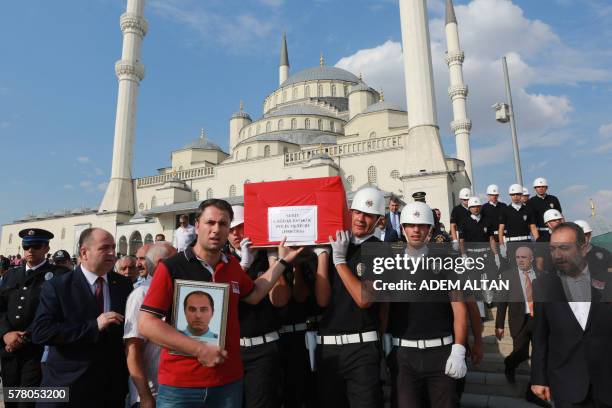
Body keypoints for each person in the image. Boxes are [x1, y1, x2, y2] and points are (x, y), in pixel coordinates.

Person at [138, 199, 303, 408]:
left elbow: (254, 294)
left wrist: (282, 261)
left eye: (223, 224)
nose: (216, 230)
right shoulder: (172, 267)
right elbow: (146, 323)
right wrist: (198, 349)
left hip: (226, 383)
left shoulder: (231, 265)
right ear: (197, 225)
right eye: (210, 222)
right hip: (181, 385)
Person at [32, 228, 133, 407]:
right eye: (104, 248)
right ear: (84, 252)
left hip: (109, 389)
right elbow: (42, 332)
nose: (112, 253)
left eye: (113, 247)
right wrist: (93, 326)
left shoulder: (123, 285)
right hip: (68, 386)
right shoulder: (59, 286)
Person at [385, 201, 468, 408]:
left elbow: (459, 308)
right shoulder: (389, 262)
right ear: (402, 229)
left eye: (422, 225)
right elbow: (384, 307)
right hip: (404, 356)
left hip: (441, 353)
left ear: (430, 230)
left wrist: (459, 349)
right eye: (411, 225)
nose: (416, 230)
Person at [315, 187, 385, 408]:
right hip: (328, 347)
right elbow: (322, 300)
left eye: (368, 215)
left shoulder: (381, 250)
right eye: (357, 212)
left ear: (378, 220)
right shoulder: (337, 244)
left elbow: (364, 299)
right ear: (349, 212)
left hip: (361, 348)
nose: (361, 219)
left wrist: (339, 261)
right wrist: (323, 256)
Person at [531, 223, 612, 407]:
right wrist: (538, 378)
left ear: (583, 249)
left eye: (564, 248)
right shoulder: (543, 286)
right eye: (553, 249)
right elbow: (540, 336)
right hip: (566, 384)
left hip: (606, 383)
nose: (557, 255)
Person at [226, 205, 290, 408]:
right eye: (230, 229)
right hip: (233, 350)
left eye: (240, 226)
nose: (235, 233)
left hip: (265, 348)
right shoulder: (223, 262)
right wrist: (243, 264)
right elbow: (226, 300)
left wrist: (274, 261)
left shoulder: (268, 256)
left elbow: (280, 299)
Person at [0, 229, 67, 408]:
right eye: (26, 246)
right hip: (9, 351)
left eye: (36, 246)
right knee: (11, 400)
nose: (30, 250)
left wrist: (24, 336)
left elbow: (55, 311)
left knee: (27, 402)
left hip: (36, 350)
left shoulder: (58, 275)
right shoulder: (10, 276)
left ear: (46, 248)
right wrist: (6, 334)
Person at [124, 241, 176, 408]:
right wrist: (145, 396)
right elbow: (132, 349)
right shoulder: (141, 294)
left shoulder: (180, 290)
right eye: (177, 258)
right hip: (151, 395)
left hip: (176, 391)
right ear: (162, 263)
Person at [495, 246, 548, 407]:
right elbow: (502, 303)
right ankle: (509, 364)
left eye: (524, 257)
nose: (520, 260)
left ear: (531, 258)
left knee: (540, 356)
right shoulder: (507, 276)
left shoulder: (541, 276)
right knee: (522, 353)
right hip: (519, 320)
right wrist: (499, 325)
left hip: (538, 321)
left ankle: (531, 391)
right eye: (518, 257)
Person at [498, 184, 539, 263]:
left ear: (521, 195)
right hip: (512, 244)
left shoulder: (528, 209)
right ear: (510, 195)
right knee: (514, 267)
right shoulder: (505, 210)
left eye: (518, 194)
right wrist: (501, 246)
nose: (515, 196)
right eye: (513, 194)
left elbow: (533, 227)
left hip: (526, 242)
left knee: (530, 266)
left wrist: (538, 243)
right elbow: (501, 229)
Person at [527, 178, 562, 242]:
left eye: (543, 186)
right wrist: (537, 239)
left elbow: (560, 217)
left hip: (555, 232)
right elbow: (532, 224)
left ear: (546, 188)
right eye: (538, 187)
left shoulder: (553, 199)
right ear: (535, 188)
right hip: (541, 233)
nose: (541, 188)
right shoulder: (531, 202)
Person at [450, 187, 471, 251]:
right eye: (465, 199)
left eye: (468, 199)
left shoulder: (474, 208)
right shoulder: (456, 210)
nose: (467, 201)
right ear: (460, 199)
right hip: (462, 238)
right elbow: (452, 226)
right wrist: (455, 240)